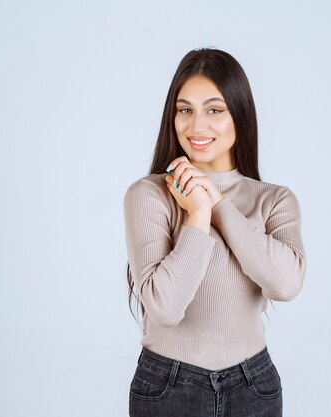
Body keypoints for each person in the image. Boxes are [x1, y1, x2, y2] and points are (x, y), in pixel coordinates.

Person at [123, 47, 306, 417]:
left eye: (214, 110)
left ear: (239, 113)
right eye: (185, 109)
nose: (196, 126)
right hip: (168, 386)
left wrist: (218, 205)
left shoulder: (274, 200)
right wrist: (198, 214)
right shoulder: (150, 195)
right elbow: (164, 307)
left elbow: (286, 285)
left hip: (252, 385)